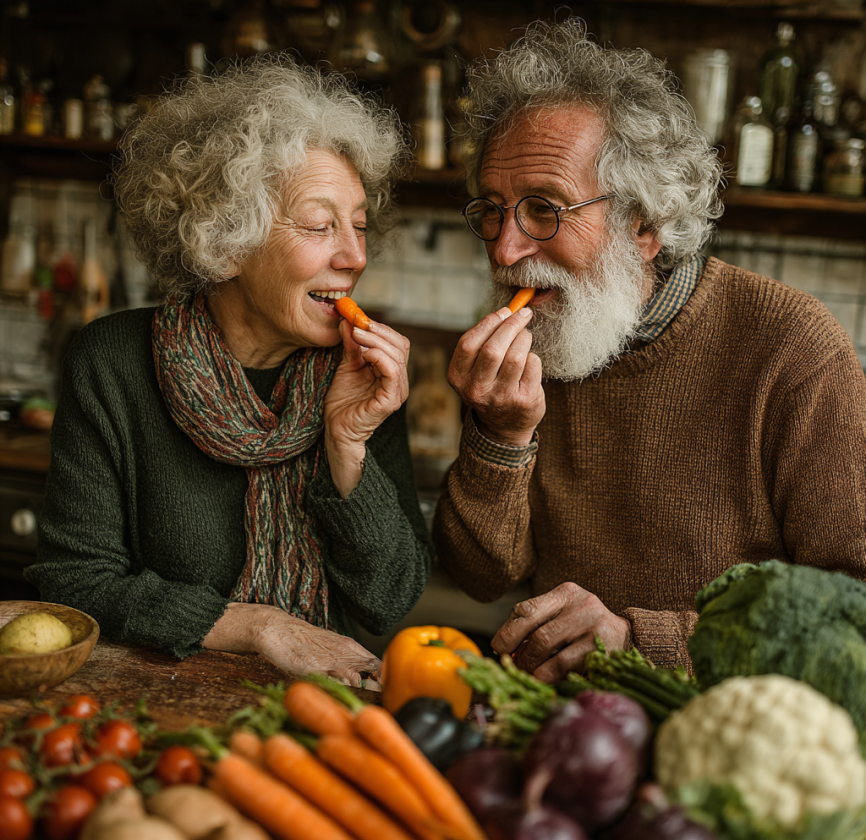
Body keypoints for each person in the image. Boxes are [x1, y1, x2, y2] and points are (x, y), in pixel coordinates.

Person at [432, 18, 866, 680]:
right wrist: (500, 435)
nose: (503, 248)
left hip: (733, 742)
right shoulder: (540, 336)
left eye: (544, 209)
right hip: (559, 735)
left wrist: (640, 642)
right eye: (492, 208)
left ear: (645, 224)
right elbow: (481, 578)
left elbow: (853, 612)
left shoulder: (793, 349)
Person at [26, 56, 434, 688]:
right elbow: (75, 584)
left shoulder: (361, 376)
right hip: (152, 705)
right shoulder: (111, 361)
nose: (353, 256)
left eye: (357, 226)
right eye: (321, 225)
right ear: (226, 241)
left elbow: (389, 600)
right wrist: (260, 626)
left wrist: (347, 445)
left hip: (318, 710)